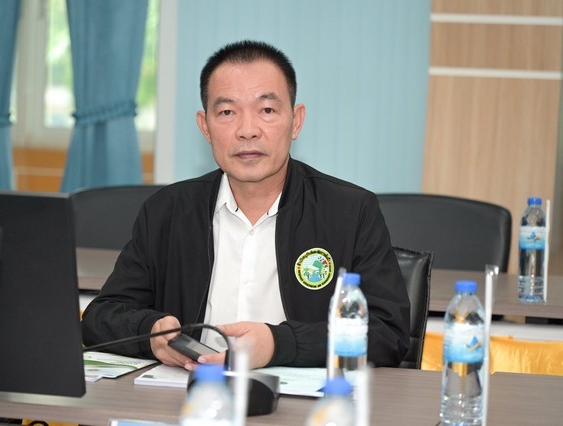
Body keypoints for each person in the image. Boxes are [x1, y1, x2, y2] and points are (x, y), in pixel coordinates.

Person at [81, 40, 410, 370]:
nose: (247, 131)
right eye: (227, 112)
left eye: (267, 110)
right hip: (191, 392)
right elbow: (101, 316)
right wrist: (149, 332)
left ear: (296, 121)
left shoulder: (351, 211)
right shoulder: (166, 211)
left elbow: (387, 334)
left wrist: (279, 344)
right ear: (205, 126)